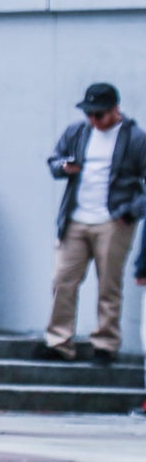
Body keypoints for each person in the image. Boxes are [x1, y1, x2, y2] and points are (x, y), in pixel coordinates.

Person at [45, 82, 143, 364]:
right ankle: (59, 341)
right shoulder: (77, 132)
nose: (93, 120)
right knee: (63, 280)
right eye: (89, 114)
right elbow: (54, 160)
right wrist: (64, 168)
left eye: (99, 115)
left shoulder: (136, 139)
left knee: (108, 286)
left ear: (116, 110)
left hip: (113, 221)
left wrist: (130, 212)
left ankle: (105, 344)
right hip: (75, 219)